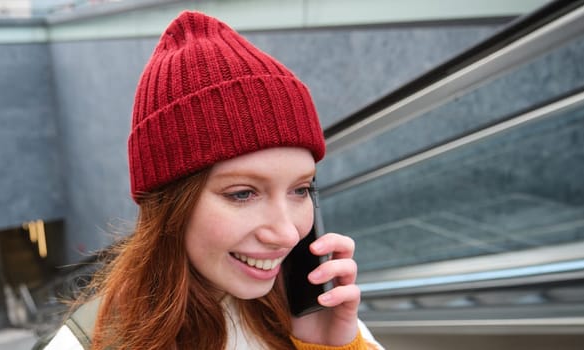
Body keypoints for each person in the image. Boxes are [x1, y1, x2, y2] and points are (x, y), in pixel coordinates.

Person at [39, 11, 384, 350]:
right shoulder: (91, 343)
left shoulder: (316, 310)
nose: (288, 234)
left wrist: (328, 347)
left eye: (301, 189)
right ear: (169, 206)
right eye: (243, 193)